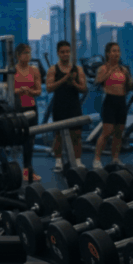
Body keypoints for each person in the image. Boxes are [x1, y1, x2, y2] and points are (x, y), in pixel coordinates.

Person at [46, 40, 86, 171]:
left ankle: (78, 160)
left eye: (67, 52)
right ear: (58, 53)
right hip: (59, 105)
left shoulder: (78, 69)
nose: (65, 54)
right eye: (62, 52)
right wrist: (64, 79)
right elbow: (49, 88)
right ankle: (58, 161)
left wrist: (73, 82)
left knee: (76, 135)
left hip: (74, 105)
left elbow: (84, 89)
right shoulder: (53, 69)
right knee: (58, 135)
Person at [94, 42, 133, 169]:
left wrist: (130, 79)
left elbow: (129, 86)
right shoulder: (103, 68)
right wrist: (110, 71)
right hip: (109, 101)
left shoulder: (123, 70)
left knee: (119, 133)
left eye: (118, 51)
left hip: (121, 101)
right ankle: (97, 159)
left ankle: (115, 158)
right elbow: (98, 81)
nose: (116, 53)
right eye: (113, 51)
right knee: (107, 132)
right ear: (107, 54)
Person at [12, 43, 42, 182]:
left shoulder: (34, 70)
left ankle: (27, 172)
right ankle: (13, 172)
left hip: (31, 108)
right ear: (18, 55)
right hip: (17, 109)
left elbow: (38, 91)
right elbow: (8, 90)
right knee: (17, 140)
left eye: (29, 53)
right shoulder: (12, 70)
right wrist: (19, 90)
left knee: (29, 142)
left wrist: (30, 91)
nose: (28, 56)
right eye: (25, 53)